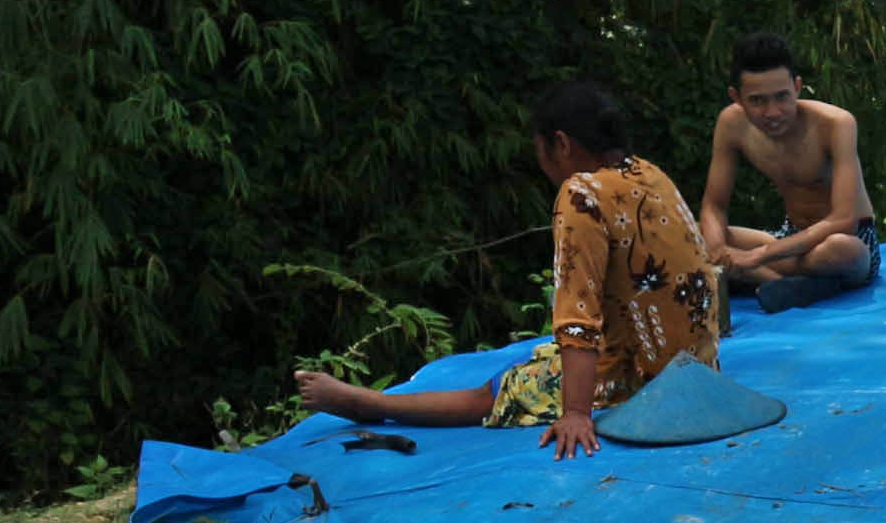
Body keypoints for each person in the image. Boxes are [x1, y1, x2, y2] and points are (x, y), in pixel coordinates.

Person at [295, 82, 719, 459]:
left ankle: (373, 405)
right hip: (697, 368)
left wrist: (576, 413)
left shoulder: (581, 192)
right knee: (540, 357)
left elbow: (577, 317)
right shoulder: (649, 173)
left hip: (642, 382)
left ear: (561, 144)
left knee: (499, 392)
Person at [701, 31, 878, 310]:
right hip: (790, 238)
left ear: (797, 87)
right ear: (737, 97)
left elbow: (844, 220)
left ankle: (765, 277)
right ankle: (788, 285)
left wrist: (759, 255)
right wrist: (718, 252)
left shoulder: (836, 123)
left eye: (782, 97)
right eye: (758, 101)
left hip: (845, 241)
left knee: (843, 249)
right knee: (697, 235)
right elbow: (714, 205)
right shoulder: (731, 124)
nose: (772, 112)